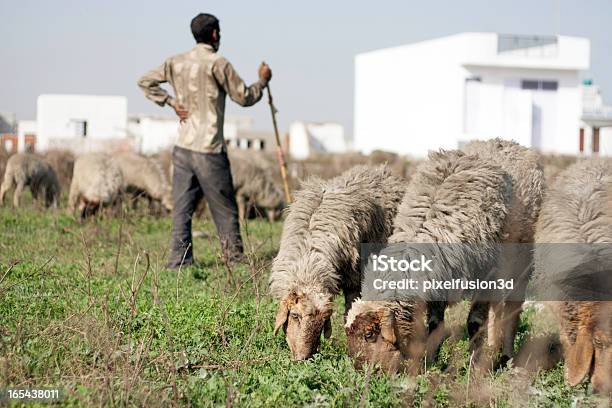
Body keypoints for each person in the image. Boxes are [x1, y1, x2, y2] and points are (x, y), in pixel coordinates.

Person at [138, 13, 272, 268]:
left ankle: (179, 262)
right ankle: (233, 259)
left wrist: (170, 102)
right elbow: (244, 97)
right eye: (218, 32)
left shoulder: (175, 62)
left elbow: (144, 81)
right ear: (214, 34)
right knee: (224, 209)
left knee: (182, 209)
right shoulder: (218, 63)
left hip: (183, 148)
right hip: (210, 149)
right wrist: (263, 81)